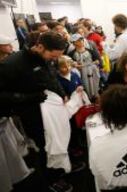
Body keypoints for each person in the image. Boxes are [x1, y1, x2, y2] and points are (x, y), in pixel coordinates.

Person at [0, 31, 74, 192]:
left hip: (50, 108)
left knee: (58, 137)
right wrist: (28, 97)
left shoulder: (46, 58)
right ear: (40, 46)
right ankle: (51, 180)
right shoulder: (11, 64)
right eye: (52, 56)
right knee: (44, 146)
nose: (54, 59)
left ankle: (61, 167)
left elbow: (51, 77)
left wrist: (62, 93)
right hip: (31, 113)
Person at [68, 33, 101, 99]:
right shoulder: (71, 54)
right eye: (78, 40)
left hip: (91, 74)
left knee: (94, 88)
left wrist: (91, 64)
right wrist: (75, 65)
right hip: (80, 74)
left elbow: (98, 61)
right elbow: (70, 64)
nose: (81, 42)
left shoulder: (90, 51)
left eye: (81, 40)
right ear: (74, 43)